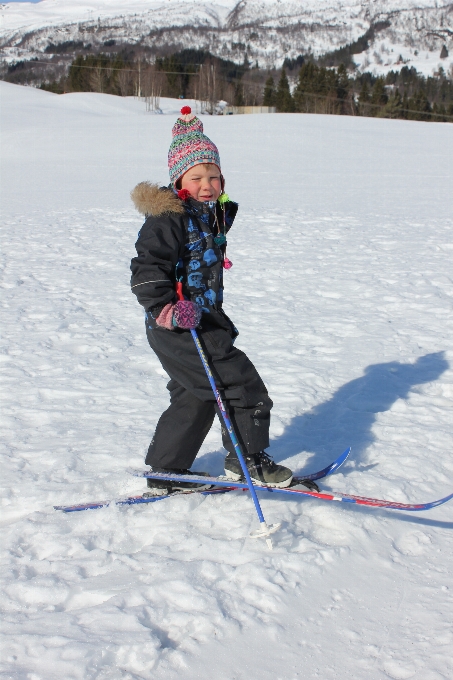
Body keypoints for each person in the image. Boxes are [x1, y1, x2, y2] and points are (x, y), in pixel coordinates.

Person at [130, 106, 293, 494]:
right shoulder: (168, 219)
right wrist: (167, 308)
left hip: (203, 319)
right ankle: (247, 461)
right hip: (177, 325)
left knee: (197, 394)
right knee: (240, 385)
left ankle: (166, 471)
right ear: (178, 180)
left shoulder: (207, 215)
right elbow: (146, 269)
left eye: (213, 175)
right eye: (196, 176)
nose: (207, 184)